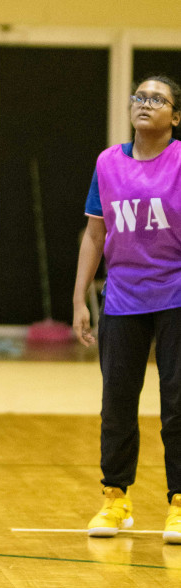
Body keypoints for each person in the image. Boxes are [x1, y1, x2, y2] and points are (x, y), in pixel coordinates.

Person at [73, 75, 181, 542]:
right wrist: (80, 297)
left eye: (158, 99)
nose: (145, 104)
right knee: (117, 402)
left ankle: (179, 502)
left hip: (176, 294)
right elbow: (95, 234)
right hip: (122, 298)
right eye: (140, 96)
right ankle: (115, 499)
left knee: (177, 403)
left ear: (175, 117)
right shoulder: (107, 163)